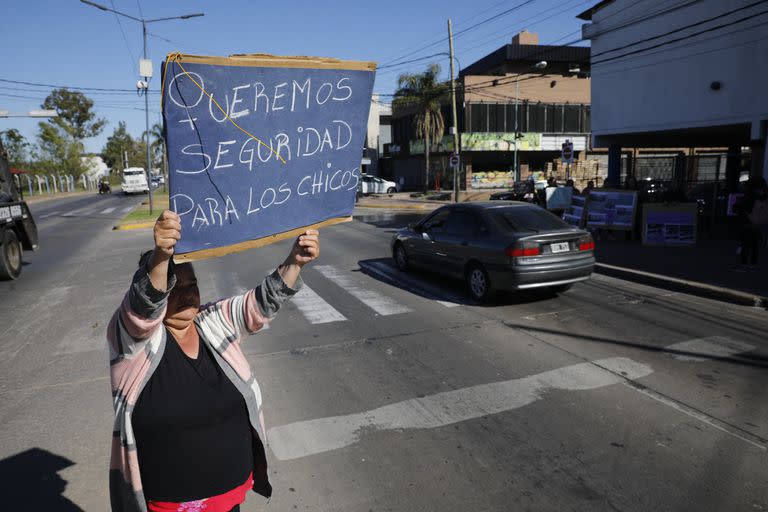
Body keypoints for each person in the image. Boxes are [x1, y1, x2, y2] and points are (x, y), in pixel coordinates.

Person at [107, 210, 320, 512]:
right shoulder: (133, 341)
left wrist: (294, 262)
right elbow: (143, 308)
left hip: (229, 499)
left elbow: (260, 303)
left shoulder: (211, 321)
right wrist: (160, 257)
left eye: (191, 285)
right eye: (174, 288)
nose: (186, 294)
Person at [734, 177, 768, 271]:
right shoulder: (764, 195)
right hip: (759, 223)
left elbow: (741, 208)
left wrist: (737, 204)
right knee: (755, 245)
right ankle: (753, 264)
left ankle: (743, 264)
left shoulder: (748, 196)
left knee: (745, 245)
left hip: (747, 223)